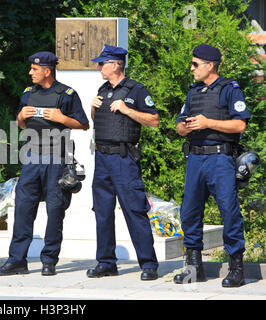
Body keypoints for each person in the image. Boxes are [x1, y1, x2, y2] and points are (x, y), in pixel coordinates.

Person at [0, 51, 89, 276]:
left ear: (47, 71)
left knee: (55, 210)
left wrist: (61, 119)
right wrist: (20, 117)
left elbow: (83, 124)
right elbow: (21, 125)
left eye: (34, 69)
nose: (30, 73)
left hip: (57, 159)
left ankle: (49, 261)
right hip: (31, 159)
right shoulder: (28, 93)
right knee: (23, 210)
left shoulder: (66, 94)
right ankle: (17, 260)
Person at [174, 44, 250, 287]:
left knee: (229, 210)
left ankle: (237, 269)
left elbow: (239, 126)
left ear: (210, 65)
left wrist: (208, 122)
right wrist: (186, 127)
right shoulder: (193, 92)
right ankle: (194, 267)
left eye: (195, 64)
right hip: (195, 158)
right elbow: (178, 127)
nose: (192, 68)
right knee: (190, 212)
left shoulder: (229, 90)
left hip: (220, 159)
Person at [88, 44, 159, 281]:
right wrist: (93, 108)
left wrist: (128, 110)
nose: (99, 67)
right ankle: (106, 262)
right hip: (102, 158)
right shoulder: (103, 89)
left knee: (134, 210)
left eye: (102, 63)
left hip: (123, 158)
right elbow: (99, 122)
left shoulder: (137, 90)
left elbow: (153, 120)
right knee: (102, 211)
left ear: (116, 65)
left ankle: (148, 264)